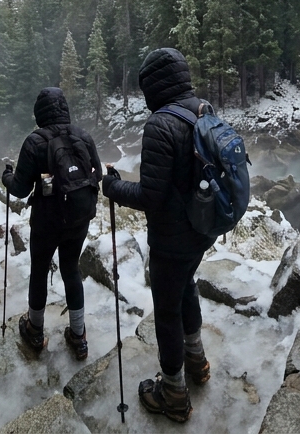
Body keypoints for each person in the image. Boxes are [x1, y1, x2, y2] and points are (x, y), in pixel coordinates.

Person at [102, 48, 217, 424]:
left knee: (166, 312)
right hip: (202, 229)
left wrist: (112, 187)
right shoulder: (202, 109)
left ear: (152, 86)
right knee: (187, 289)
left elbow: (150, 197)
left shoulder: (159, 126)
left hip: (171, 239)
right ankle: (197, 362)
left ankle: (172, 393)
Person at [1, 87, 101, 362]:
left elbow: (20, 189)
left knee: (39, 271)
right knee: (71, 269)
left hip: (47, 221)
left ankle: (35, 330)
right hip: (79, 220)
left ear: (39, 113)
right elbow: (99, 174)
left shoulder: (35, 141)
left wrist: (6, 177)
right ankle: (78, 336)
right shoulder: (82, 135)